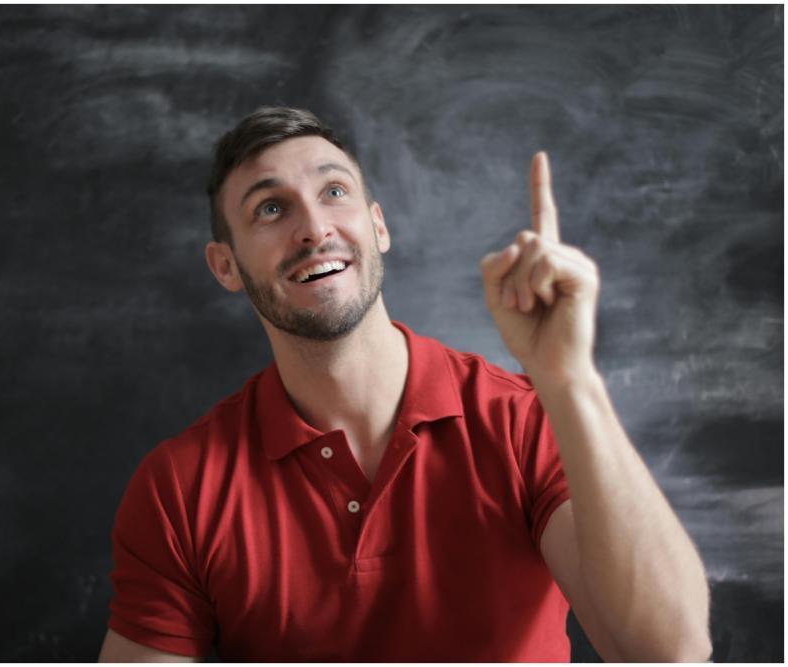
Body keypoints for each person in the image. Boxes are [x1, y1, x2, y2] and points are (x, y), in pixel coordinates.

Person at [98, 107, 712, 662]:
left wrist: (570, 379)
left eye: (334, 191)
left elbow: (669, 652)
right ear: (226, 266)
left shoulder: (527, 420)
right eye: (271, 208)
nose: (314, 228)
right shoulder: (178, 489)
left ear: (378, 227)